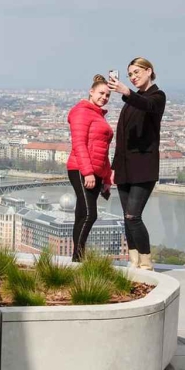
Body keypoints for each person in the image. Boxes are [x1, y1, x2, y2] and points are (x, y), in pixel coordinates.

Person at [107, 57, 165, 269]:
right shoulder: (131, 102)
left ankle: (147, 262)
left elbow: (148, 105)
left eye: (136, 72)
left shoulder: (157, 96)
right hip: (124, 166)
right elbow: (122, 138)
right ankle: (135, 261)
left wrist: (126, 92)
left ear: (149, 71)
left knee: (133, 216)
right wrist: (114, 167)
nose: (133, 77)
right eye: (130, 74)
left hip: (143, 166)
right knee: (126, 217)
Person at [66, 75, 114, 258]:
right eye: (101, 93)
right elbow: (79, 144)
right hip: (81, 169)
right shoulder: (81, 112)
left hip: (95, 171)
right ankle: (78, 257)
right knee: (89, 214)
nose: (104, 97)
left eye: (108, 95)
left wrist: (107, 178)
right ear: (91, 91)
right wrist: (88, 173)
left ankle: (77, 258)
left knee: (82, 215)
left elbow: (103, 150)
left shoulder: (97, 114)